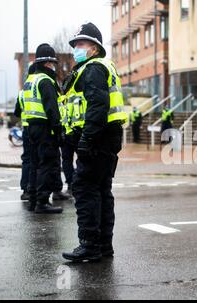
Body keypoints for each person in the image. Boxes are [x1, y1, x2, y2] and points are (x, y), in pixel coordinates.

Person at [62, 23, 128, 262]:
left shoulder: (93, 68)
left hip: (98, 137)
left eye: (81, 44)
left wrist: (87, 139)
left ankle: (90, 244)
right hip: (106, 136)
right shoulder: (97, 68)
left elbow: (98, 105)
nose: (76, 49)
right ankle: (102, 245)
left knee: (85, 188)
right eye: (75, 45)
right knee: (101, 190)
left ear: (94, 48)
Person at [23, 44, 64, 214]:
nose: (53, 66)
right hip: (45, 129)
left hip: (31, 127)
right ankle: (42, 202)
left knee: (34, 164)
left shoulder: (30, 80)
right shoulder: (46, 81)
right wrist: (58, 130)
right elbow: (52, 109)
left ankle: (33, 199)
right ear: (47, 63)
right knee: (46, 164)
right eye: (52, 63)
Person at [14, 65, 36, 200]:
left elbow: (17, 112)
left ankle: (25, 189)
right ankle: (36, 189)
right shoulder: (41, 84)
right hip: (39, 128)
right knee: (38, 160)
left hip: (26, 129)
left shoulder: (22, 92)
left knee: (27, 159)